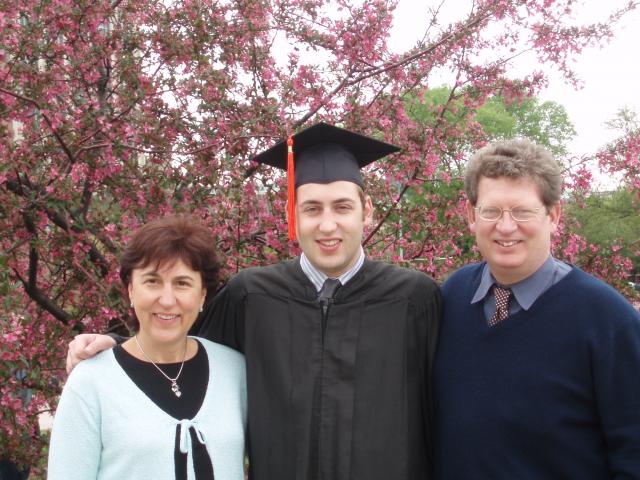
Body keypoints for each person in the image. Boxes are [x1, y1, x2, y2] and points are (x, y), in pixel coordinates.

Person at [66, 123, 442, 480]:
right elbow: (179, 344)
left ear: (367, 211)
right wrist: (114, 349)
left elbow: (450, 409)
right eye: (312, 208)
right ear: (291, 214)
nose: (328, 225)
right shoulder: (252, 297)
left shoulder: (414, 300)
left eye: (342, 207)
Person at [434, 139, 640, 479]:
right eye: (491, 211)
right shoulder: (453, 296)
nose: (505, 226)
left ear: (553, 215)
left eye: (522, 211)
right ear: (471, 216)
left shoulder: (607, 320)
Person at [48, 216, 247, 480]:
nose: (166, 300)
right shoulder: (91, 382)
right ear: (131, 289)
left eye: (182, 283)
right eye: (152, 281)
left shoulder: (235, 370)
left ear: (202, 296)